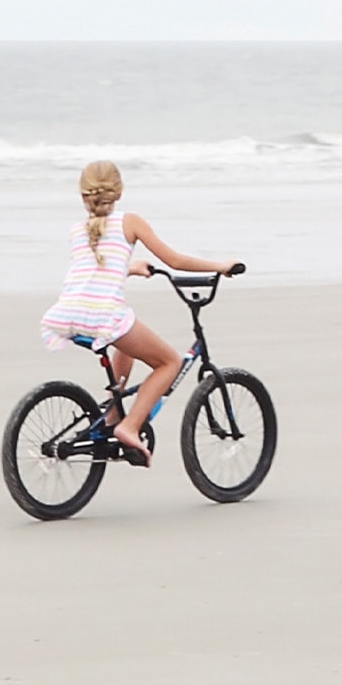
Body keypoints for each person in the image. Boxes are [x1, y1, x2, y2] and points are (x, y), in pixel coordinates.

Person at [39, 160, 241, 462]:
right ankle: (130, 426)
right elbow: (174, 261)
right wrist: (220, 266)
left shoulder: (77, 230)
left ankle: (113, 414)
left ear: (83, 195)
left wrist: (130, 268)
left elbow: (94, 270)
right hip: (103, 316)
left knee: (127, 338)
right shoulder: (130, 222)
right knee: (169, 363)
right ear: (119, 192)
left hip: (66, 314)